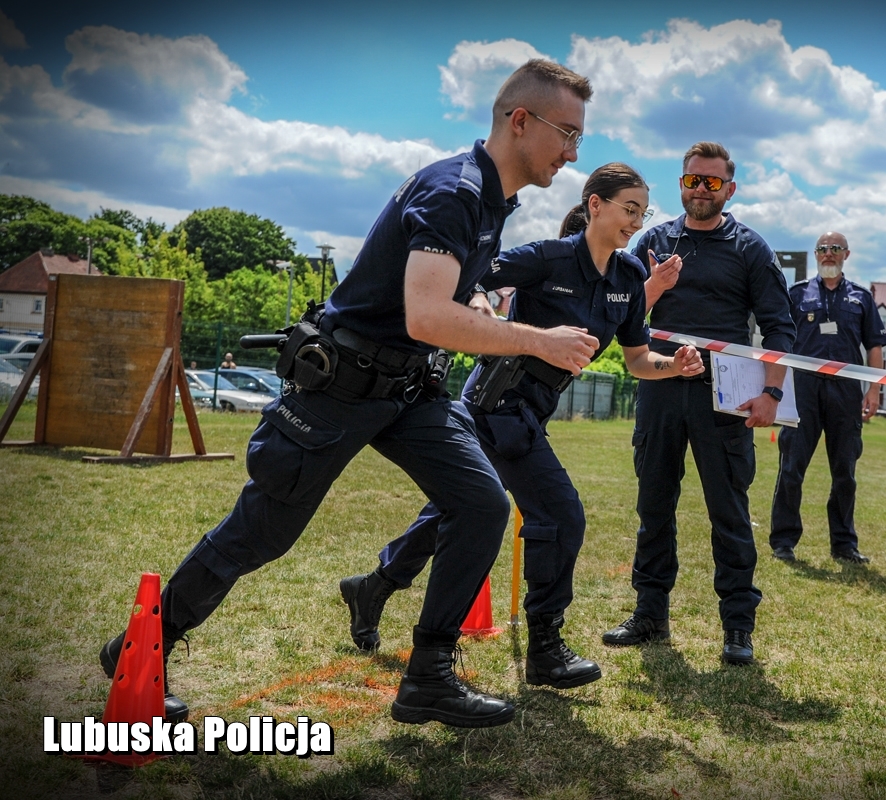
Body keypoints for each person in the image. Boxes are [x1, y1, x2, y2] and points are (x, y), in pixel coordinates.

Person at [98, 59, 599, 730]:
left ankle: (428, 679)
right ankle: (137, 649)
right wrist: (536, 340)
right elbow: (425, 315)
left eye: (579, 138)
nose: (573, 153)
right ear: (519, 121)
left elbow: (438, 297)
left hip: (410, 389)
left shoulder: (491, 198)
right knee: (261, 535)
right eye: (566, 133)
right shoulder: (453, 191)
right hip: (341, 385)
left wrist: (475, 295)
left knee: (480, 503)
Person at [339, 163, 703, 690]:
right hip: (496, 405)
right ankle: (546, 649)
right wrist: (485, 306)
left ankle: (374, 585)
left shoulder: (627, 280)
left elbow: (639, 360)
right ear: (595, 205)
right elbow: (474, 277)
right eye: (629, 208)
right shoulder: (547, 257)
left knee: (457, 512)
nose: (636, 221)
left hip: (533, 410)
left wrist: (675, 366)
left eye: (642, 213)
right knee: (560, 514)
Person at [601, 142, 795, 666]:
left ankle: (737, 626)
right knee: (654, 506)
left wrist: (772, 393)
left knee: (728, 511)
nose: (701, 190)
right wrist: (653, 287)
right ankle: (649, 615)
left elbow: (778, 327)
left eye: (712, 182)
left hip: (726, 399)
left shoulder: (751, 249)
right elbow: (622, 311)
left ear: (730, 189)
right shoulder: (655, 241)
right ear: (680, 184)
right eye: (693, 180)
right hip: (661, 386)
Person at [769, 231, 886, 565]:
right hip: (803, 390)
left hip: (846, 391)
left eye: (835, 248)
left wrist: (874, 390)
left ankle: (844, 545)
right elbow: (778, 339)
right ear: (815, 254)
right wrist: (774, 387)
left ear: (846, 254)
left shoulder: (861, 299)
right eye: (822, 249)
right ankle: (783, 542)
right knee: (791, 467)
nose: (828, 254)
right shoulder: (796, 295)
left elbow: (875, 347)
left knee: (845, 473)